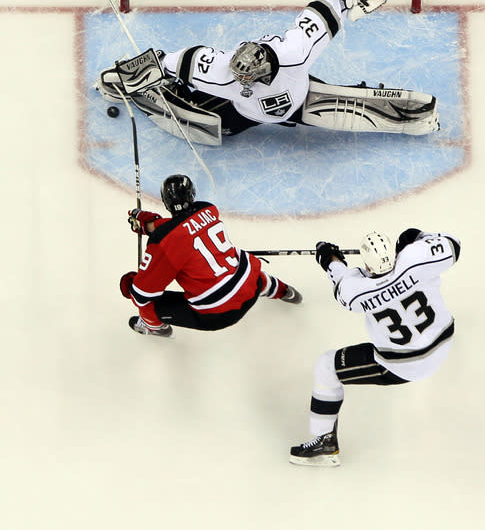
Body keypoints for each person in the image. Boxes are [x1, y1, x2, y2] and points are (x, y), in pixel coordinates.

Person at [97, 0, 439, 142]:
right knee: (214, 130)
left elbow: (324, 10)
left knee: (335, 102)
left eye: (247, 77)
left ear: (263, 69)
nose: (240, 79)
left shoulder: (294, 51)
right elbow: (167, 61)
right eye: (238, 75)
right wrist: (124, 77)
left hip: (302, 97)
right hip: (244, 115)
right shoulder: (219, 69)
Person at [289, 228, 460, 466]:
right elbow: (453, 244)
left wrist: (329, 257)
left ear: (368, 266)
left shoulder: (356, 289)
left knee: (327, 366)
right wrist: (416, 237)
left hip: (403, 366)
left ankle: (324, 441)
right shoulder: (416, 259)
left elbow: (339, 278)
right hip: (443, 342)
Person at [120, 173, 302, 337]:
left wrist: (131, 286)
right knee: (243, 271)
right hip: (252, 288)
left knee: (146, 304)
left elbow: (143, 293)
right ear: (192, 194)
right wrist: (153, 225)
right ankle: (285, 291)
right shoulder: (208, 209)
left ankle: (155, 328)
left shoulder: (163, 242)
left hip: (218, 315)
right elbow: (183, 227)